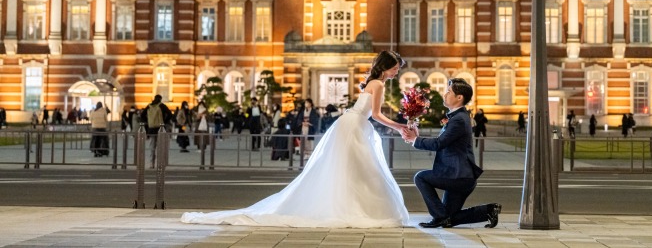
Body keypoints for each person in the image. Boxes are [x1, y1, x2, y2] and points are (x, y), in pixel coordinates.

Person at [181, 50, 410, 227]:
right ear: (386, 66)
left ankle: (352, 207)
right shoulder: (378, 84)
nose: (396, 72)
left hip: (350, 124)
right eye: (395, 68)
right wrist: (400, 126)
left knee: (351, 169)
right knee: (362, 169)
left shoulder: (373, 82)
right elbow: (378, 115)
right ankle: (357, 209)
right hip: (355, 126)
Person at [401, 78, 500, 229]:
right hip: (460, 176)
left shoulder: (459, 119)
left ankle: (439, 217)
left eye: (449, 92)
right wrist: (417, 136)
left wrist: (416, 140)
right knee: (450, 218)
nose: (445, 94)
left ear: (459, 98)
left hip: (458, 176)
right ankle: (488, 211)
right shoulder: (457, 117)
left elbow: (439, 144)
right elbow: (443, 140)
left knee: (420, 177)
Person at [144, 94, 172, 168]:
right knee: (161, 147)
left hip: (151, 129)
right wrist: (164, 122)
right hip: (160, 129)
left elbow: (142, 115)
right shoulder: (162, 106)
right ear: (160, 99)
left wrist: (148, 122)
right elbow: (170, 114)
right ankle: (160, 164)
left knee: (152, 147)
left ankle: (151, 164)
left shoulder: (149, 106)